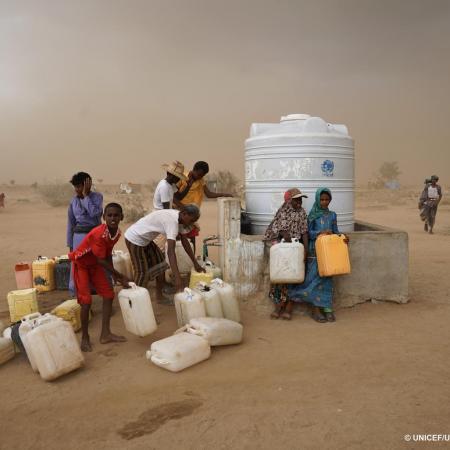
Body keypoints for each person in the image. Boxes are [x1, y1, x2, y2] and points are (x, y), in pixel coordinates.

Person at [69, 203, 130, 352]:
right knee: (86, 301)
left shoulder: (116, 233)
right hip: (82, 265)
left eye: (116, 215)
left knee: (109, 295)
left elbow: (107, 254)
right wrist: (120, 275)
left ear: (121, 217)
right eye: (109, 215)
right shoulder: (98, 234)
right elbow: (101, 259)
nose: (113, 218)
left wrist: (113, 275)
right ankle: (85, 338)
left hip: (95, 265)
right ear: (104, 217)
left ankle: (105, 334)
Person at [288, 187, 349, 323]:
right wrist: (320, 233)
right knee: (313, 280)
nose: (325, 202)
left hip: (329, 253)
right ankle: (315, 309)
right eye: (322, 199)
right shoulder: (312, 215)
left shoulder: (332, 215)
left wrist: (343, 237)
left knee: (327, 280)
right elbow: (307, 233)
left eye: (327, 199)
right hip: (314, 251)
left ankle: (327, 308)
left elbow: (335, 231)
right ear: (317, 200)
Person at [124, 204, 205, 301]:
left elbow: (185, 242)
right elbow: (171, 252)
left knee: (161, 265)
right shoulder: (172, 222)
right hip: (135, 238)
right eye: (191, 220)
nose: (191, 223)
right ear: (184, 214)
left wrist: (195, 263)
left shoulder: (181, 220)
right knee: (142, 272)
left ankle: (160, 297)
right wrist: (177, 276)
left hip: (146, 239)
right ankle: (134, 301)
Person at [264, 188, 309, 320]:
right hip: (282, 249)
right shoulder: (282, 211)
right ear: (289, 200)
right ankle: (278, 307)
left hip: (295, 249)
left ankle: (289, 307)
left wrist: (305, 250)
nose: (299, 203)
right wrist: (284, 234)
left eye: (300, 200)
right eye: (296, 200)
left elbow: (304, 232)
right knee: (280, 277)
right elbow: (276, 228)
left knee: (294, 278)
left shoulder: (302, 213)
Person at [174, 161, 233, 249]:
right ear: (194, 170)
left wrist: (224, 194)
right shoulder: (183, 177)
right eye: (199, 174)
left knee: (192, 238)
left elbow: (208, 194)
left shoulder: (201, 181)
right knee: (179, 238)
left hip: (193, 214)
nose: (200, 177)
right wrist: (182, 208)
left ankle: (191, 259)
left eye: (202, 175)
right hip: (181, 213)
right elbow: (174, 196)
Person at [67, 172, 103, 295]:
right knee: (78, 263)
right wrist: (70, 244)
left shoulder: (97, 197)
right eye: (76, 187)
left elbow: (95, 214)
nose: (77, 190)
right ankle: (76, 290)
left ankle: (97, 288)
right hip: (78, 236)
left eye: (80, 186)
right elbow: (71, 223)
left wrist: (86, 196)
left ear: (87, 185)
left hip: (95, 235)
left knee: (98, 262)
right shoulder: (73, 202)